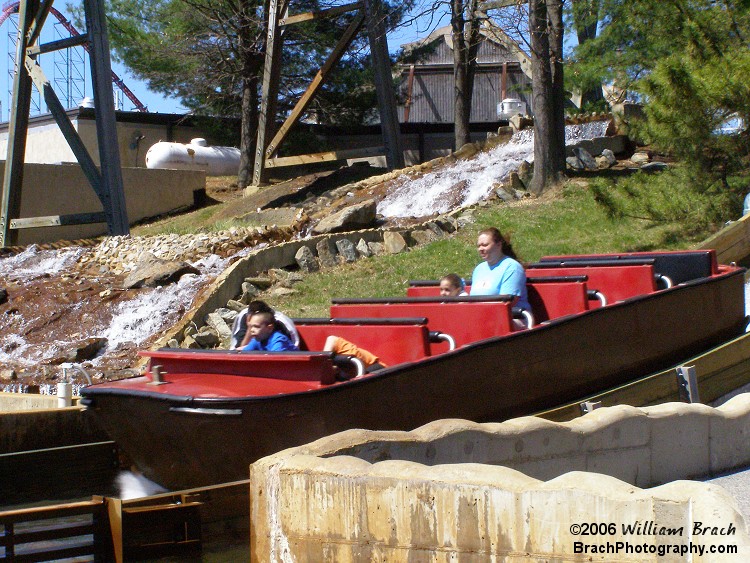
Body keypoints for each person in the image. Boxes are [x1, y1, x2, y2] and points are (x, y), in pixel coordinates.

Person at [469, 227, 531, 313]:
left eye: (485, 245)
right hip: (481, 317)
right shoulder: (479, 269)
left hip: (512, 317)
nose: (481, 249)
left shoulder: (512, 267)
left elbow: (507, 303)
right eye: (479, 246)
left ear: (498, 245)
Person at [232, 300, 300, 349]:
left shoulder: (279, 340)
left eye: (256, 326)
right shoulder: (257, 339)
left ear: (270, 328)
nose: (252, 330)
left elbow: (276, 360)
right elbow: (241, 354)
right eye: (251, 326)